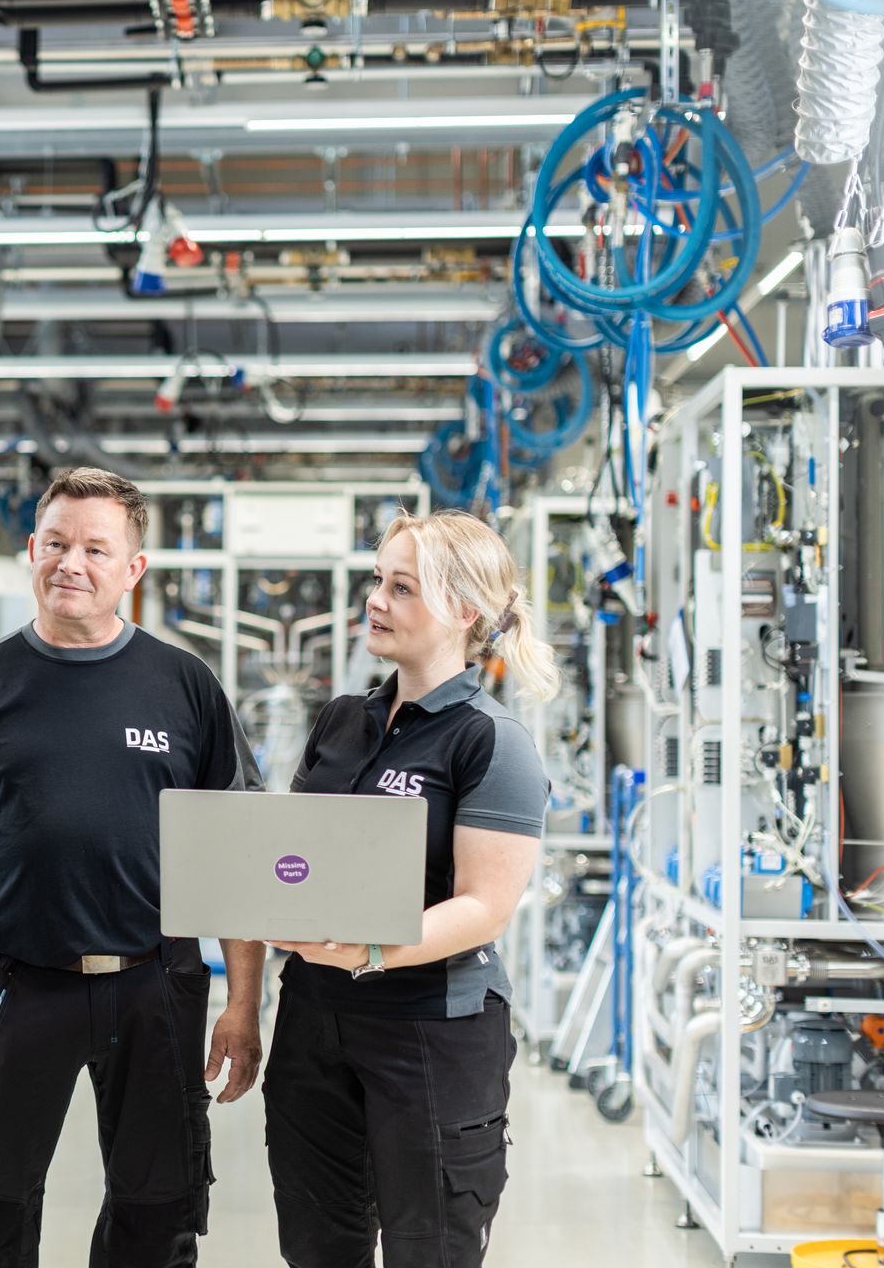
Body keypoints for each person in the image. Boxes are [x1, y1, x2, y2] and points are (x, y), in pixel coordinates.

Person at [0, 467, 267, 1268]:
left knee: (157, 1218)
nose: (71, 563)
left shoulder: (185, 687)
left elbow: (237, 853)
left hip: (155, 981)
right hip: (16, 981)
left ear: (133, 569)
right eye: (56, 543)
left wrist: (243, 1004)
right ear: (31, 550)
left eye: (96, 548)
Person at [263, 509, 556, 1268]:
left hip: (430, 1033)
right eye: (376, 581)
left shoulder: (490, 742)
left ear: (464, 612)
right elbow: (292, 856)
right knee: (318, 1248)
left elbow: (485, 907)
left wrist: (366, 947)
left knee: (430, 1250)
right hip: (314, 1021)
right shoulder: (339, 722)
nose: (376, 601)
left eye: (402, 587)